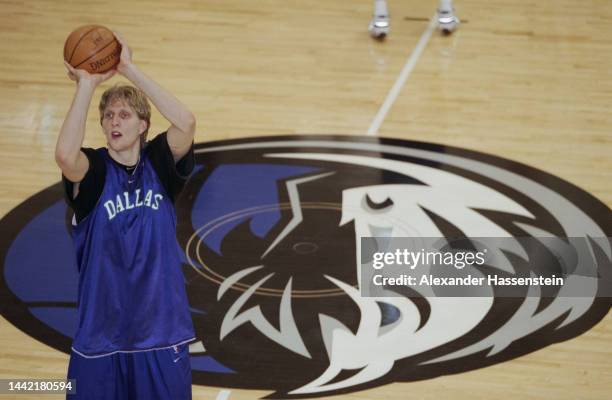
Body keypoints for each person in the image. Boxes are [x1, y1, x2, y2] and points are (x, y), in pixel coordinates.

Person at [55, 32, 196, 399]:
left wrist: (129, 69)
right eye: (108, 116)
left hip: (162, 335)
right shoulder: (96, 171)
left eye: (124, 114)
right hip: (101, 339)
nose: (114, 121)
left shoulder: (160, 166)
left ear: (143, 124)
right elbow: (66, 157)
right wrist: (87, 84)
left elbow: (186, 122)